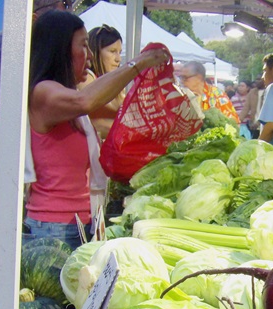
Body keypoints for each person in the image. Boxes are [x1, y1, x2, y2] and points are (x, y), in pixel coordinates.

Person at [26, 10, 167, 249]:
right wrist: (138, 63)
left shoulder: (66, 92)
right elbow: (86, 102)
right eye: (83, 46)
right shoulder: (44, 92)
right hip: (53, 227)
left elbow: (111, 110)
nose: (90, 55)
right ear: (59, 48)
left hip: (77, 220)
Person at [0, 0, 69, 263]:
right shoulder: (1, 58)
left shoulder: (14, 53)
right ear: (32, 18)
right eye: (59, 12)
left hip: (4, 184)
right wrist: (40, 146)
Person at [77, 24, 124, 140]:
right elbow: (97, 122)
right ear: (95, 52)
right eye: (112, 51)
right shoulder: (87, 77)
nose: (118, 59)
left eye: (120, 52)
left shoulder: (116, 85)